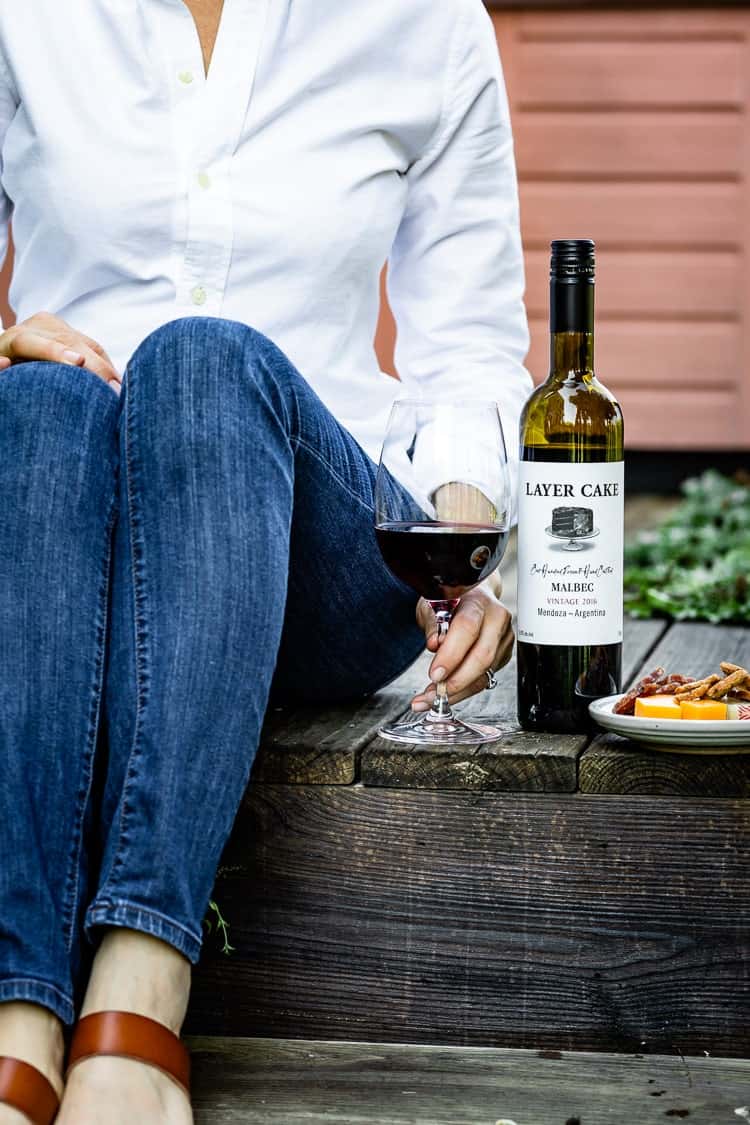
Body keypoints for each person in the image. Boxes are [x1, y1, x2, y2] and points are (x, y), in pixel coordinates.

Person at [0, 0, 531, 1121]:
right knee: (43, 401)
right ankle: (22, 1014)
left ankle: (141, 985)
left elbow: (469, 341)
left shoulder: (425, 20)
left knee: (202, 359)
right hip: (66, 561)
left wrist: (459, 543)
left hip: (320, 559)